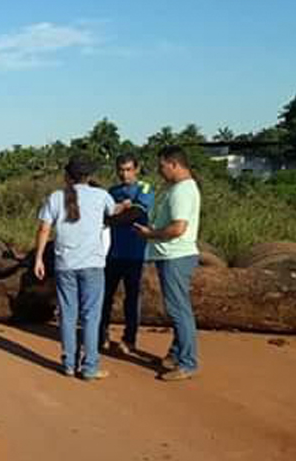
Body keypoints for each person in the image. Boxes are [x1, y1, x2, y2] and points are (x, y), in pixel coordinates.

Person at [34, 156, 117, 381]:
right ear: (89, 176)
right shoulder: (101, 196)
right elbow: (114, 213)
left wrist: (39, 258)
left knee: (68, 315)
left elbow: (44, 229)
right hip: (92, 264)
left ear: (67, 176)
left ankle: (69, 364)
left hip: (65, 264)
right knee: (91, 316)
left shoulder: (55, 197)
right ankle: (90, 367)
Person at [134, 146, 202, 381]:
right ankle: (176, 354)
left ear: (173, 164)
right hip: (172, 255)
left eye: (162, 166)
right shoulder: (179, 188)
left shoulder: (182, 190)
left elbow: (178, 228)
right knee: (178, 308)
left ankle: (187, 362)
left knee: (178, 310)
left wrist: (150, 234)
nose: (160, 171)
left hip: (176, 255)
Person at [100, 153, 155, 354]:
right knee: (105, 296)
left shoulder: (145, 188)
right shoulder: (112, 191)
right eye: (121, 170)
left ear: (137, 169)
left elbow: (137, 213)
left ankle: (129, 339)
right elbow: (104, 213)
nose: (125, 174)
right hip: (112, 253)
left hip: (135, 253)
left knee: (132, 298)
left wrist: (112, 218)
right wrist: (113, 215)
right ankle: (101, 334)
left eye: (129, 169)